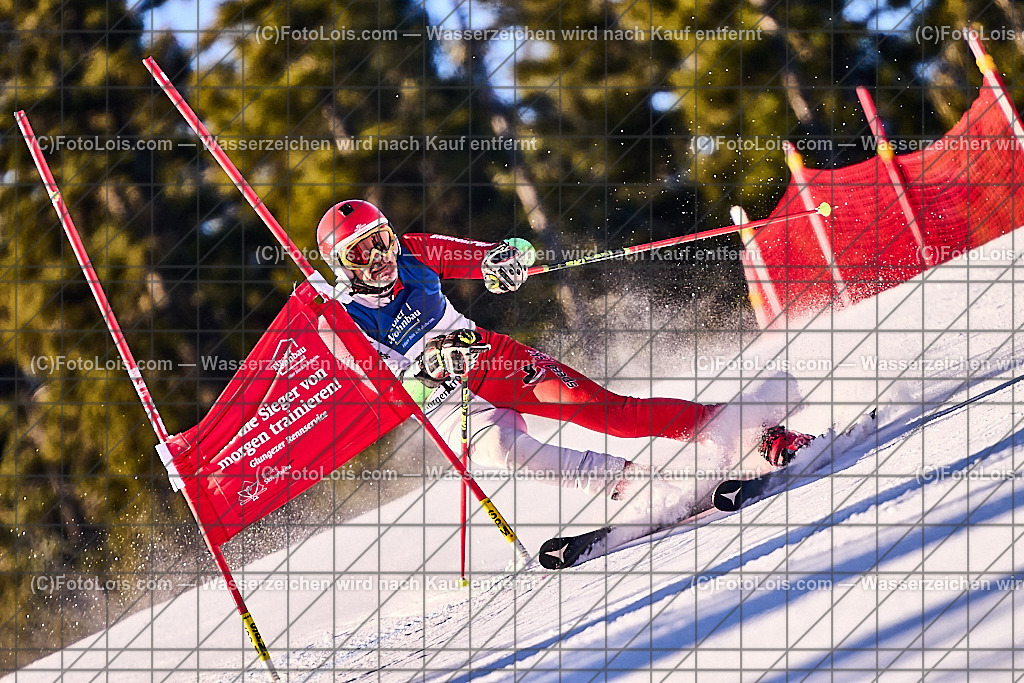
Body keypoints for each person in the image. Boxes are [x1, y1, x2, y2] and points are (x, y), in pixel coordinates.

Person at [315, 200, 810, 518]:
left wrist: (507, 260)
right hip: (447, 407)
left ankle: (756, 431)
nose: (380, 256)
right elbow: (386, 395)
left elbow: (500, 252)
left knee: (614, 414)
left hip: (493, 364)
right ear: (342, 264)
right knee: (503, 451)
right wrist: (429, 368)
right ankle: (631, 484)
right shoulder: (342, 321)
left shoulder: (415, 254)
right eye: (361, 253)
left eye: (381, 240)